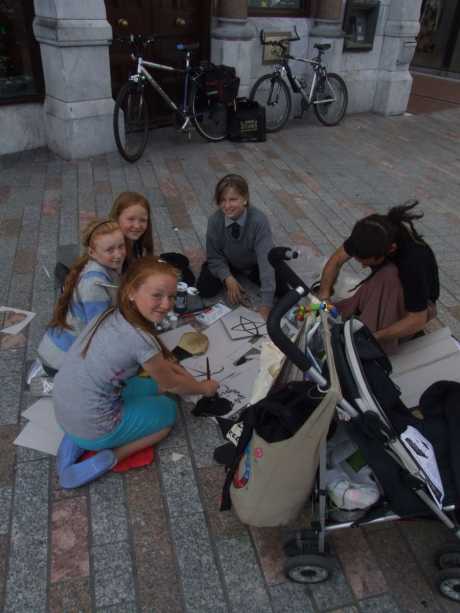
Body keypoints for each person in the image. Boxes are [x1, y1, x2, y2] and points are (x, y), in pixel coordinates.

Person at [54, 257, 219, 489]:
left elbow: (163, 367)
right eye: (157, 295)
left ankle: (75, 442)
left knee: (154, 386)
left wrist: (170, 371)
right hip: (93, 427)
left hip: (65, 410)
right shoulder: (141, 341)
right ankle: (113, 456)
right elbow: (173, 384)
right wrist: (205, 388)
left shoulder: (112, 312)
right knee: (168, 413)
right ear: (131, 291)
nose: (166, 304)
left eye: (171, 296)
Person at [318, 201, 439, 354]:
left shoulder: (413, 261)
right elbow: (336, 261)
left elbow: (417, 318)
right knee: (336, 308)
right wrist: (324, 296)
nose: (362, 267)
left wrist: (374, 336)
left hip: (418, 309)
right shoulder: (372, 231)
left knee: (388, 276)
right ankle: (355, 319)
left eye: (366, 262)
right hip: (388, 285)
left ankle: (367, 341)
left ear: (391, 249)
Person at [36, 218, 126, 382]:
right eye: (110, 250)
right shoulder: (93, 288)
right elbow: (100, 333)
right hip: (59, 362)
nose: (118, 254)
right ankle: (53, 386)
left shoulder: (95, 266)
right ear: (92, 252)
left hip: (56, 350)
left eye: (121, 246)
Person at [197, 174, 284, 320]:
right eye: (222, 200)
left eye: (233, 199)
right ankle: (234, 276)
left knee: (282, 288)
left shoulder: (259, 221)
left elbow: (265, 261)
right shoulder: (215, 221)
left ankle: (246, 274)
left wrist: (266, 306)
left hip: (253, 262)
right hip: (228, 261)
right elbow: (214, 256)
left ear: (245, 199)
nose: (227, 205)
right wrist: (227, 278)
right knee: (204, 288)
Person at [109, 191, 195, 285]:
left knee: (180, 260)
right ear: (117, 217)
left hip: (136, 272)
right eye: (131, 219)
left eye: (143, 220)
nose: (137, 226)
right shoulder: (116, 251)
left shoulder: (133, 239)